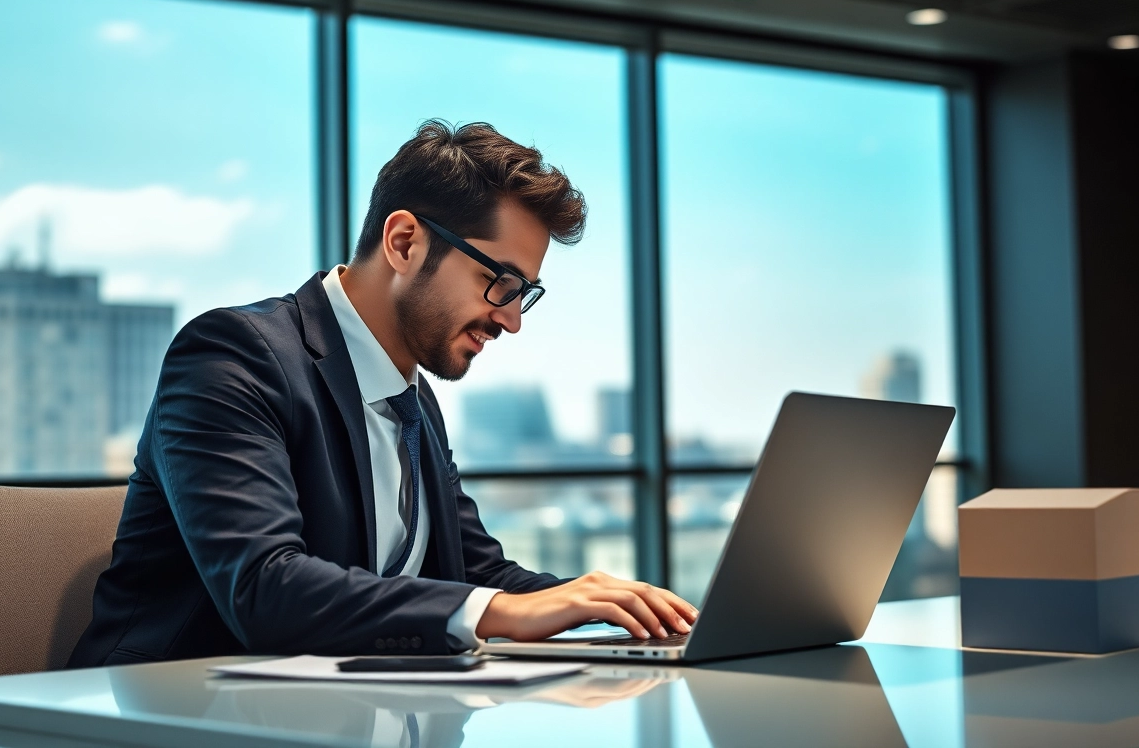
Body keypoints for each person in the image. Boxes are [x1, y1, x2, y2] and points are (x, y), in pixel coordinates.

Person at [68, 120, 696, 668]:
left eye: (523, 292)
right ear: (404, 243)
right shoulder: (233, 355)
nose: (511, 320)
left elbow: (477, 578)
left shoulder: (413, 400)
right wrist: (505, 610)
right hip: (177, 715)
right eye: (499, 282)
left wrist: (615, 608)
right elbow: (265, 588)